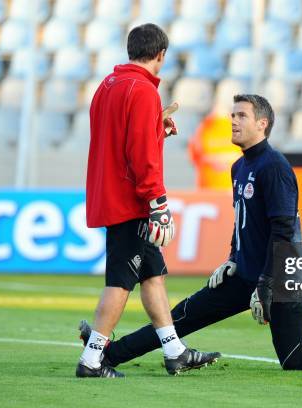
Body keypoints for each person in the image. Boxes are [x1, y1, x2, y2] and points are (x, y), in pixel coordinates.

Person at [80, 94, 302, 372]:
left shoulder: (275, 167)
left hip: (283, 278)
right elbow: (244, 222)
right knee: (179, 318)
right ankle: (106, 355)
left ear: (262, 124)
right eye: (232, 115)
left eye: (241, 115)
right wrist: (231, 258)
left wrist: (267, 285)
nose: (233, 121)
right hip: (244, 275)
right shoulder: (239, 167)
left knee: (297, 360)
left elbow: (282, 231)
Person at [78, 23, 220, 378]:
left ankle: (175, 352)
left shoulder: (107, 86)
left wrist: (157, 126)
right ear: (161, 55)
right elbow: (142, 156)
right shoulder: (142, 91)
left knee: (153, 275)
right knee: (120, 282)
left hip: (112, 194)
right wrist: (158, 204)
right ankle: (92, 359)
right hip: (132, 203)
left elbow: (118, 139)